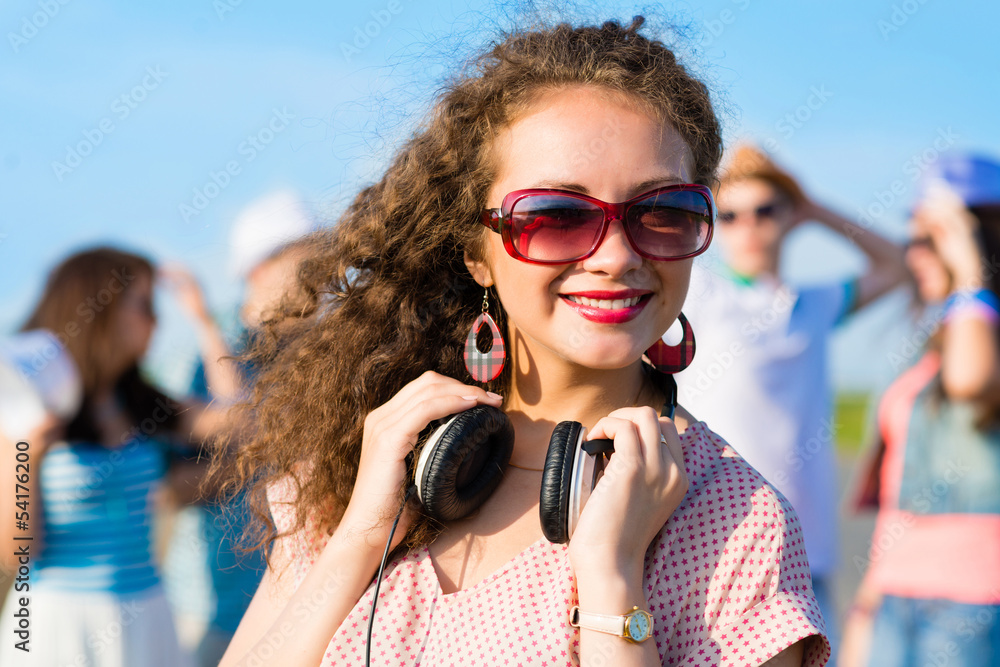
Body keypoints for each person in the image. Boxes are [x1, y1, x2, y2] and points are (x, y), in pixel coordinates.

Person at [219, 18, 830, 667]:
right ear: (476, 253)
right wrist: (360, 536)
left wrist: (612, 578)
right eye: (558, 217)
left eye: (663, 212)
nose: (617, 256)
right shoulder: (369, 461)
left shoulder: (736, 520)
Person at [675, 145, 908, 651]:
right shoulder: (700, 294)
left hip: (808, 545)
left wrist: (815, 209)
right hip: (719, 543)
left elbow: (897, 264)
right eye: (730, 215)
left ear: (789, 217)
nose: (749, 227)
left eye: (766, 211)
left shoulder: (814, 303)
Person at [0, 247, 240, 667]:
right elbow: (15, 553)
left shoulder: (141, 403)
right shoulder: (28, 402)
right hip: (61, 625)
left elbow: (243, 424)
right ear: (100, 310)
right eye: (145, 305)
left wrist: (204, 323)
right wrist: (27, 456)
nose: (156, 321)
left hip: (149, 614)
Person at [840, 154, 1000, 667]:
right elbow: (899, 485)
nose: (917, 255)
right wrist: (868, 602)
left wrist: (972, 272)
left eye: (934, 238)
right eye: (913, 240)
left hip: (973, 600)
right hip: (896, 594)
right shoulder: (932, 340)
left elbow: (972, 383)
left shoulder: (981, 335)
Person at [162, 190, 316, 667]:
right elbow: (170, 485)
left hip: (300, 607)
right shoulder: (203, 351)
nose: (328, 275)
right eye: (309, 261)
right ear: (259, 269)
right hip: (214, 612)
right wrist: (274, 456)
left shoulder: (321, 351)